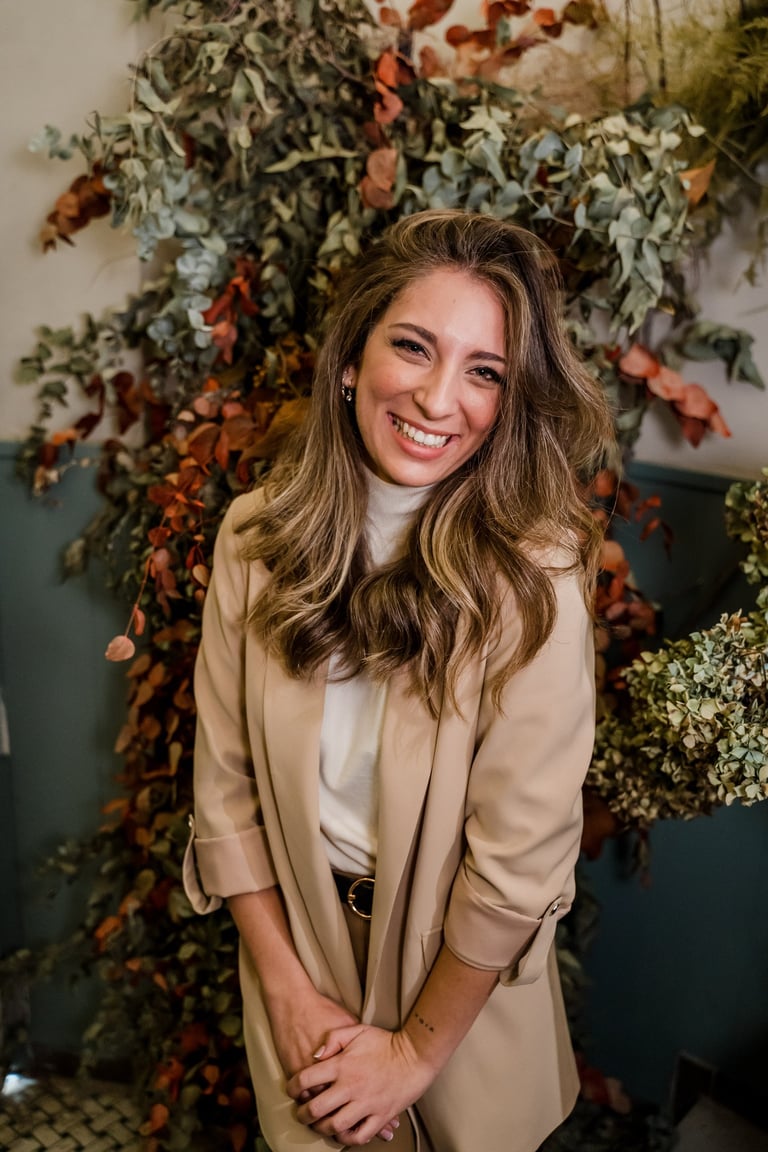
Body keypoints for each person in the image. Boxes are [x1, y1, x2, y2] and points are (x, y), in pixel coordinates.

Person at [183, 209, 615, 1152]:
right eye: (413, 346)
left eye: (484, 371)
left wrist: (415, 1053)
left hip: (461, 994)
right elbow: (225, 796)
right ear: (352, 358)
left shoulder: (536, 578)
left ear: (510, 400)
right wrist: (288, 994)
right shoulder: (254, 537)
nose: (438, 397)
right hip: (301, 955)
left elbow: (517, 865)